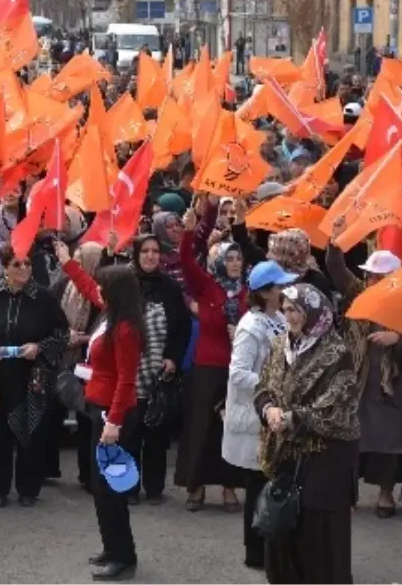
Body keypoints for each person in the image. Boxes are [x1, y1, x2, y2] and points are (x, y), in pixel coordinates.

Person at [255, 282, 359, 585]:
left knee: (319, 533)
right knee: (282, 524)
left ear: (313, 311)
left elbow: (336, 408)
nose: (291, 316)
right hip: (286, 451)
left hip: (327, 456)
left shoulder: (337, 352)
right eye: (286, 310)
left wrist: (291, 418)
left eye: (297, 310)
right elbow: (263, 386)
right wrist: (268, 410)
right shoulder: (279, 345)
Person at [58, 256, 144, 581]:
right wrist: (68, 264)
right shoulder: (112, 313)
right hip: (99, 407)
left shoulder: (125, 329)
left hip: (112, 414)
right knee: (100, 487)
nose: (99, 292)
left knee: (110, 490)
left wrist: (114, 422)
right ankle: (113, 547)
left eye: (105, 288)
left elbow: (126, 379)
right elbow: (88, 287)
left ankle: (123, 555)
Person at [0, 244, 67, 507]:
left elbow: (62, 334)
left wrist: (39, 347)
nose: (24, 269)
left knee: (33, 430)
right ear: (4, 266)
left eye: (27, 263)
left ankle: (29, 489)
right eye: (17, 264)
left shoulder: (44, 298)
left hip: (32, 375)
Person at [327, 247, 402, 518]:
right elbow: (335, 267)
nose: (372, 281)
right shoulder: (357, 294)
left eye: (379, 276)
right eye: (370, 276)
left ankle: (386, 493)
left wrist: (398, 339)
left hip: (393, 383)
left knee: (390, 441)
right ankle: (347, 493)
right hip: (358, 380)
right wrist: (336, 240)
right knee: (351, 437)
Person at [223, 260, 295, 570]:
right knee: (257, 487)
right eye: (279, 287)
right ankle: (255, 551)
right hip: (256, 416)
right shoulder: (250, 327)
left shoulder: (278, 317)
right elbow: (238, 373)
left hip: (272, 415)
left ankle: (269, 548)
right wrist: (273, 386)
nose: (284, 291)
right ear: (265, 292)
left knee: (269, 484)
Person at [175, 205, 239, 512]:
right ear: (218, 261)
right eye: (229, 258)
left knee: (230, 428)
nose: (235, 263)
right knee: (201, 427)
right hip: (206, 367)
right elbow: (185, 261)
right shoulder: (208, 286)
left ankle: (229, 486)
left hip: (236, 368)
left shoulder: (247, 292)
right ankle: (195, 486)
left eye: (239, 258)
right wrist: (189, 231)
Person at [124, 233, 191, 505]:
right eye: (145, 251)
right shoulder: (126, 285)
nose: (151, 256)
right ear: (137, 255)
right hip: (130, 370)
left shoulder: (170, 287)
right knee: (129, 431)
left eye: (155, 251)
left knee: (156, 432)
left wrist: (173, 358)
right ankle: (129, 487)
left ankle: (153, 487)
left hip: (160, 369)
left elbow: (183, 328)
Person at [52, 240, 107, 490]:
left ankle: (89, 475)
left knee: (89, 419)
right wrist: (65, 336)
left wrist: (84, 338)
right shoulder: (64, 285)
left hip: (92, 363)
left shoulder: (105, 290)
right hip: (65, 358)